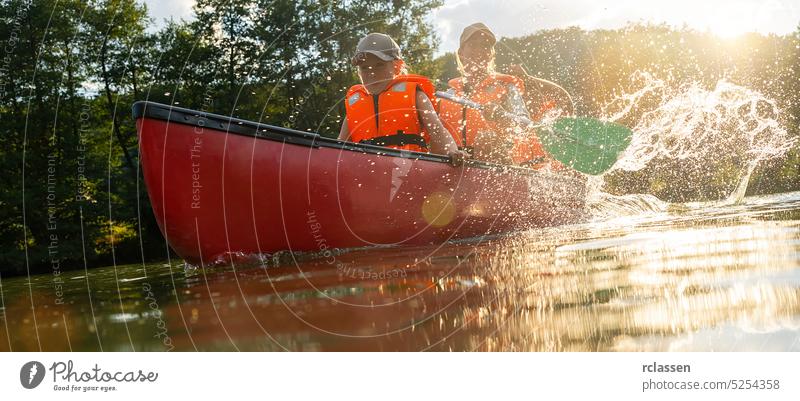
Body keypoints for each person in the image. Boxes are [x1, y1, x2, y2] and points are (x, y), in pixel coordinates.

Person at [438, 22, 573, 167]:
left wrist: (502, 116)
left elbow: (525, 124)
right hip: (453, 164)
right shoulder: (449, 94)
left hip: (496, 165)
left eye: (485, 46)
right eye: (472, 45)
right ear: (461, 53)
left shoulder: (506, 87)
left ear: (491, 55)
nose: (479, 51)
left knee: (485, 138)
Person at [339, 33, 467, 165]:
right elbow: (338, 149)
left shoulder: (415, 95)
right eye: (365, 68)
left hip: (409, 172)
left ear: (397, 67)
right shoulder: (355, 106)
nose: (372, 73)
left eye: (379, 65)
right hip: (366, 175)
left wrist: (452, 151)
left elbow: (438, 130)